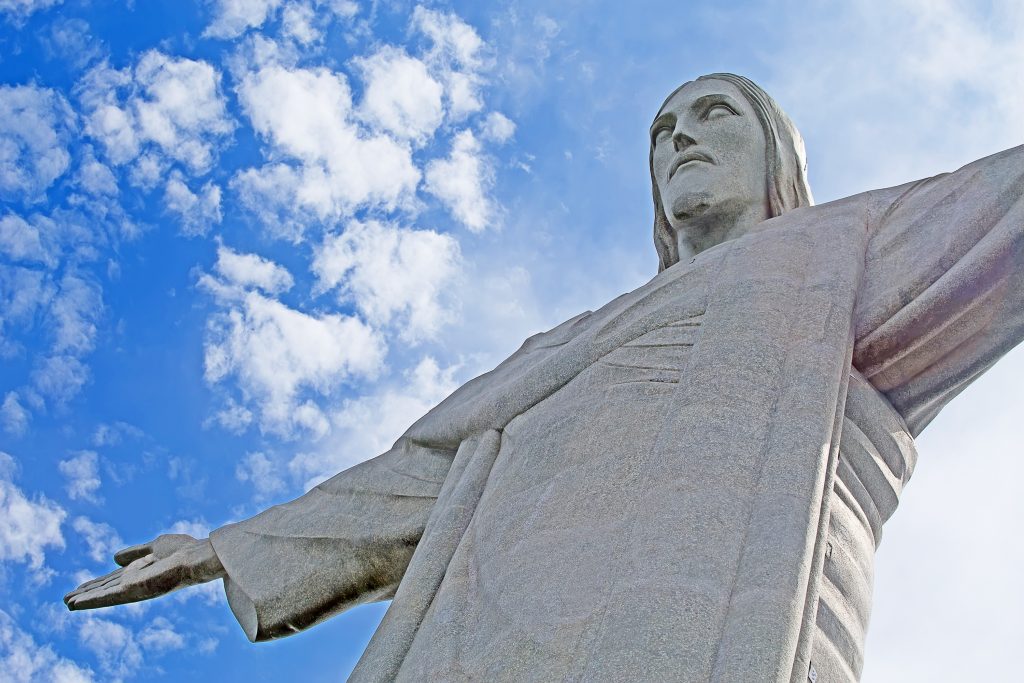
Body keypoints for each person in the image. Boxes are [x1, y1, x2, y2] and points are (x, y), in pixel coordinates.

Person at [65, 74, 1024, 682]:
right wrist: (232, 545)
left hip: (698, 613)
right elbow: (419, 472)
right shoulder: (564, 341)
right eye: (660, 129)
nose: (680, 138)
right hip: (471, 621)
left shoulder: (842, 247)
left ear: (777, 152)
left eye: (713, 113)